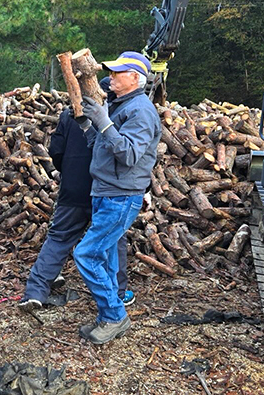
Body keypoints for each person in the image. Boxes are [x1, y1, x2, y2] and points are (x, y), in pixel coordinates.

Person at [73, 51, 162, 345]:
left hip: (121, 196)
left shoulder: (141, 111)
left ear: (135, 78)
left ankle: (114, 316)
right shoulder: (120, 105)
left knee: (86, 254)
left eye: (117, 73)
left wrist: (104, 122)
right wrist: (88, 125)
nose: (110, 78)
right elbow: (103, 146)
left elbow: (129, 155)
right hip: (106, 191)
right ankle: (107, 316)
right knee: (109, 259)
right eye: (110, 72)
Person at [18, 93, 134, 312]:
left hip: (73, 188)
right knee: (113, 239)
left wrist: (69, 171)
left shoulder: (70, 114)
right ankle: (118, 293)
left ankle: (35, 291)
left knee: (59, 238)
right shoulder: (119, 114)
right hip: (107, 189)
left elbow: (56, 150)